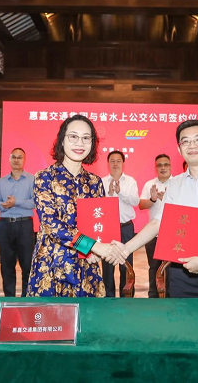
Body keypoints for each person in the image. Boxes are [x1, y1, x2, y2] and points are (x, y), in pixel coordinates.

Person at [112, 120, 198, 298]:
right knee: (181, 316)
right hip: (181, 271)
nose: (192, 145)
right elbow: (157, 223)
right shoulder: (175, 184)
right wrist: (125, 249)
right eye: (185, 141)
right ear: (179, 149)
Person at [27, 115, 124, 297]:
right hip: (52, 264)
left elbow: (98, 225)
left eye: (86, 138)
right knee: (51, 315)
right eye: (73, 136)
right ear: (62, 140)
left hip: (86, 266)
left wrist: (98, 250)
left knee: (89, 314)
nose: (80, 143)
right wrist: (94, 245)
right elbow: (51, 225)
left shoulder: (94, 182)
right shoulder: (44, 177)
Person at [0, 148, 36, 297]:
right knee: (7, 265)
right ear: (9, 160)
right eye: (14, 157)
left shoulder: (32, 180)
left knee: (27, 264)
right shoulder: (1, 182)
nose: (16, 160)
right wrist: (3, 205)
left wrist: (17, 202)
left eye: (19, 157)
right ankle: (9, 298)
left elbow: (35, 202)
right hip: (5, 225)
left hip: (24, 225)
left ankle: (26, 298)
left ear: (24, 160)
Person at [102, 150, 139, 297]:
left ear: (123, 163)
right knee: (108, 265)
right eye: (112, 161)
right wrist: (110, 194)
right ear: (108, 163)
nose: (115, 164)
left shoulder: (130, 181)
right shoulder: (102, 182)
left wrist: (120, 192)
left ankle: (127, 297)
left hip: (126, 227)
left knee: (126, 264)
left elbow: (135, 201)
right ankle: (108, 297)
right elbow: (97, 206)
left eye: (118, 161)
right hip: (108, 228)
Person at [138, 154, 172, 298]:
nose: (163, 167)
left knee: (171, 268)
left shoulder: (178, 183)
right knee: (154, 267)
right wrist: (152, 199)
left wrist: (168, 200)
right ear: (155, 168)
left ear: (170, 166)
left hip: (172, 234)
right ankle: (153, 296)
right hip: (153, 234)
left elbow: (185, 207)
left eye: (166, 164)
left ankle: (170, 296)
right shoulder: (149, 184)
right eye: (159, 165)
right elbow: (141, 205)